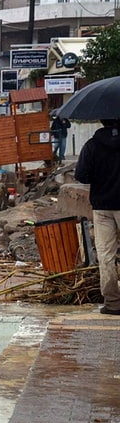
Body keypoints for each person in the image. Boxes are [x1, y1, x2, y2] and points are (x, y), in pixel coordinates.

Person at [75, 120, 120, 315]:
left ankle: (113, 303)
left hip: (102, 207)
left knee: (106, 255)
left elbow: (81, 176)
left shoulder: (92, 145)